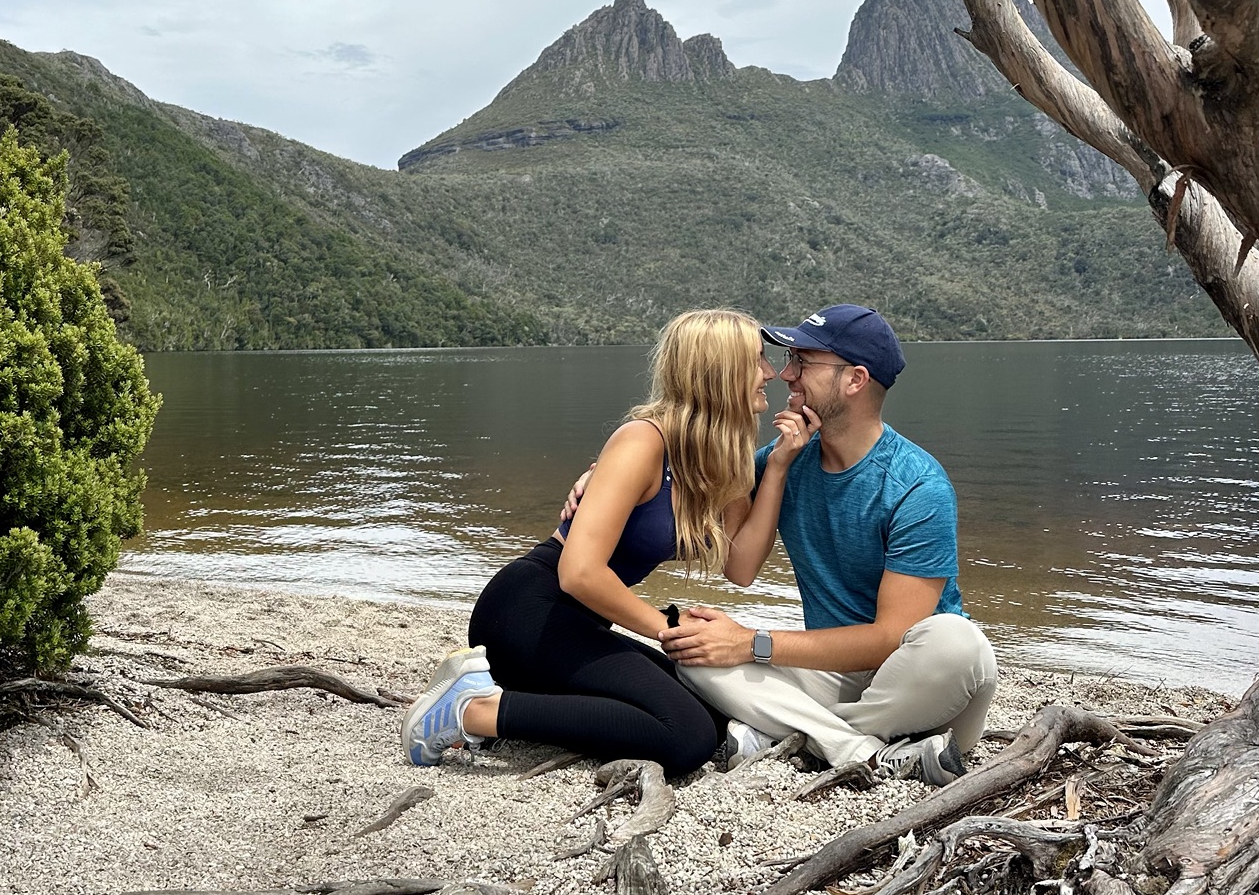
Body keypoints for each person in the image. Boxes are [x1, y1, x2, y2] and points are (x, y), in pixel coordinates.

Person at [401, 309, 795, 776]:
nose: (770, 372)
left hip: (580, 628)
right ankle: (470, 712)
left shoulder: (723, 459)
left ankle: (508, 701)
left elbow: (743, 567)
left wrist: (778, 468)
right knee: (686, 736)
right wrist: (669, 628)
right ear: (720, 371)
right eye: (757, 360)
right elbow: (578, 572)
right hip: (530, 613)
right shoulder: (643, 442)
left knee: (710, 706)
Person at [657, 303, 997, 783]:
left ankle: (791, 736)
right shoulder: (784, 459)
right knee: (690, 641)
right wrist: (606, 478)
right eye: (788, 360)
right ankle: (865, 752)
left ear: (855, 380)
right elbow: (687, 497)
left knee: (958, 643)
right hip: (834, 675)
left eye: (803, 362)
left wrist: (751, 643)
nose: (786, 374)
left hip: (920, 681)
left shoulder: (917, 486)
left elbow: (888, 638)